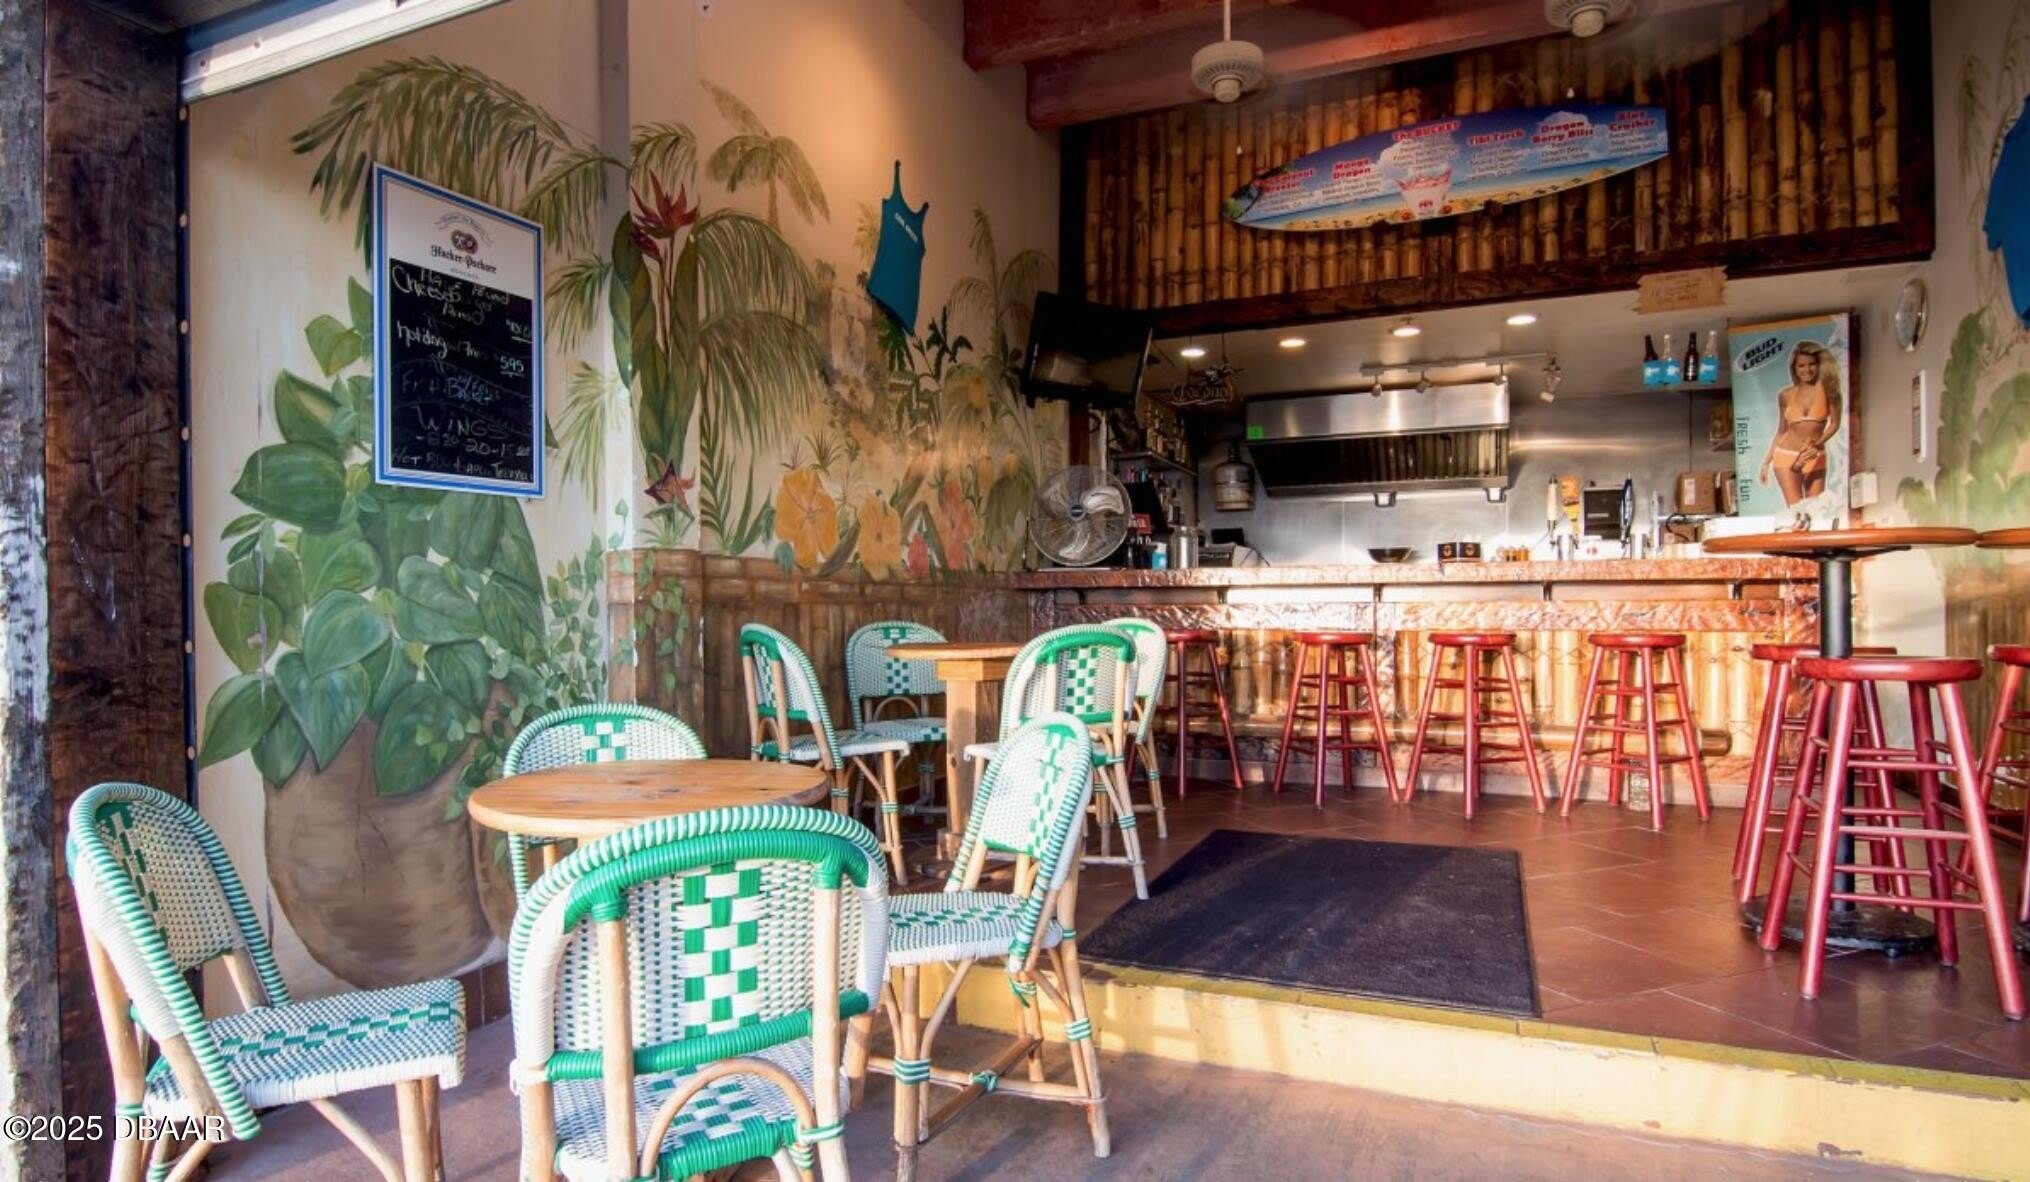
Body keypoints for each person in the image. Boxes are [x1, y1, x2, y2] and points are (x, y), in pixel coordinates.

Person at [1757, 341, 1842, 505]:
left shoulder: (1830, 390)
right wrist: (1766, 463)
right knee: (1796, 511)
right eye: (1801, 366)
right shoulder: (1785, 395)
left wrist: (1817, 444)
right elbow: (1781, 431)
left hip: (1814, 455)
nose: (1806, 370)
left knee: (1816, 510)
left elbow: (1835, 424)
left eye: (1811, 364)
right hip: (1786, 456)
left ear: (1819, 365)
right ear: (1794, 369)